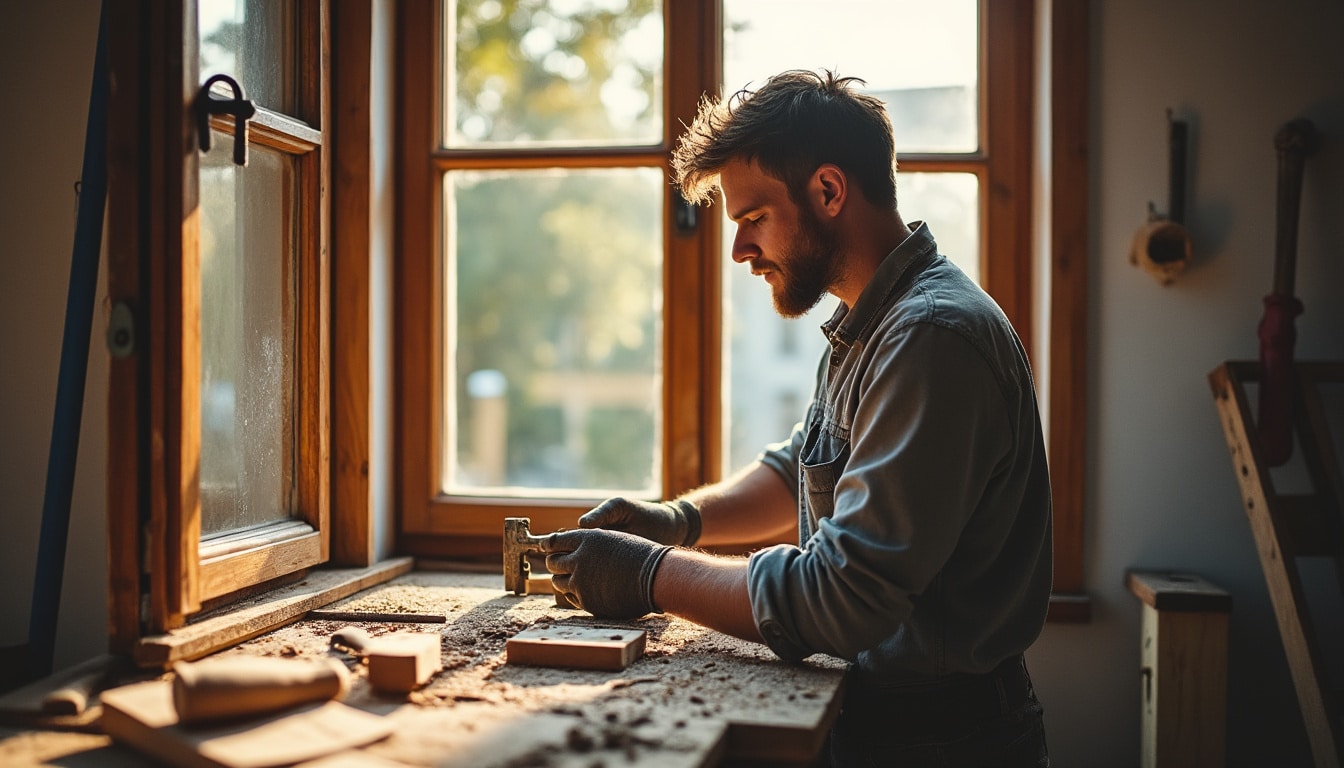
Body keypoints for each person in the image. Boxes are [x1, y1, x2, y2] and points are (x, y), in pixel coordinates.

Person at [539, 69, 1052, 767]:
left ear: (829, 191)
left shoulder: (932, 337)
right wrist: (676, 520)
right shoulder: (869, 322)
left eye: (752, 219)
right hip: (888, 722)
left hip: (943, 742)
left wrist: (651, 573)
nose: (738, 251)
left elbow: (843, 596)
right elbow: (798, 472)